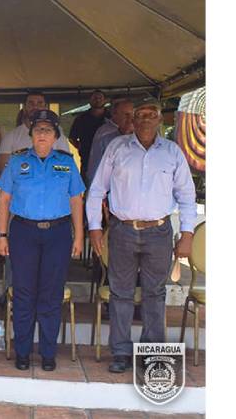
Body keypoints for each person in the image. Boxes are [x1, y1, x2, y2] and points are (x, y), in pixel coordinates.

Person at [87, 101, 196, 374]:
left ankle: (152, 353)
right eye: (140, 115)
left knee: (155, 294)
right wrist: (94, 227)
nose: (146, 119)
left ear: (160, 120)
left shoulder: (172, 152)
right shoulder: (117, 147)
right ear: (132, 120)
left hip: (159, 232)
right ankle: (121, 352)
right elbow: (97, 189)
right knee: (120, 293)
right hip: (122, 230)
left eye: (152, 115)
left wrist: (187, 234)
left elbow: (186, 195)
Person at [0, 110, 85, 371]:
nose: (42, 134)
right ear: (31, 135)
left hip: (58, 234)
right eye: (38, 130)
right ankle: (22, 352)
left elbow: (76, 200)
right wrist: (1, 235)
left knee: (51, 294)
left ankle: (48, 353)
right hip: (24, 232)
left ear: (56, 136)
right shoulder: (17, 162)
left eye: (47, 130)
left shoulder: (67, 163)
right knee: (23, 293)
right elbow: (4, 199)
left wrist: (79, 236)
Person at [85, 98, 135, 186]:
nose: (130, 118)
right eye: (126, 114)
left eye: (133, 114)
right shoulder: (105, 136)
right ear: (114, 114)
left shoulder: (142, 138)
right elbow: (95, 167)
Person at [69, 90, 107, 180]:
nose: (97, 100)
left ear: (105, 100)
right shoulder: (81, 119)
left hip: (107, 159)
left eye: (100, 98)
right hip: (87, 159)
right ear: (90, 101)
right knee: (87, 185)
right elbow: (72, 138)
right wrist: (80, 147)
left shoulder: (111, 117)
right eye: (95, 98)